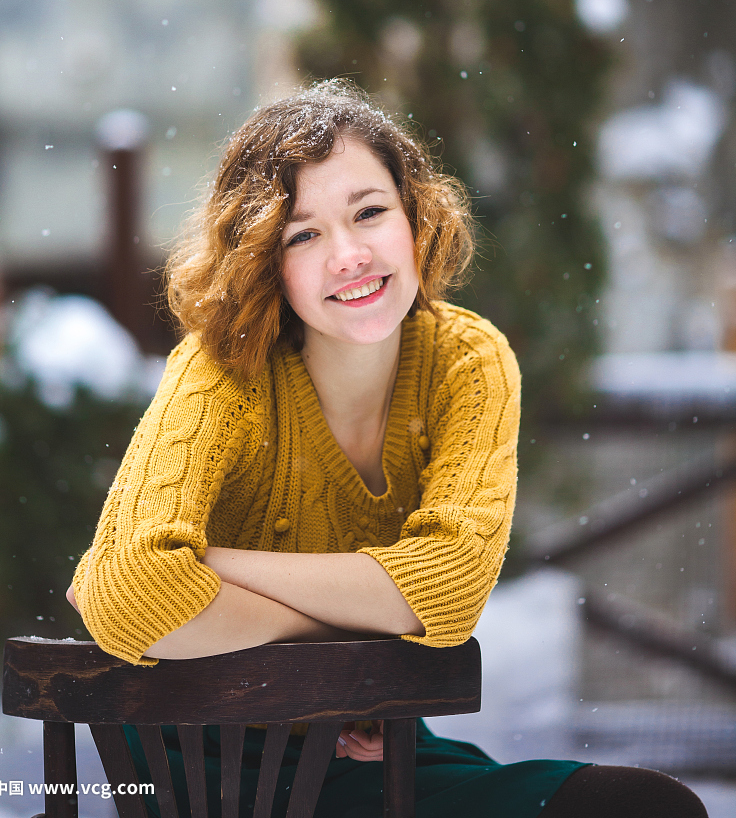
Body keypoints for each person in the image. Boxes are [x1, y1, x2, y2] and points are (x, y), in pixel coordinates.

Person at [67, 81, 706, 818]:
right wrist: (363, 629)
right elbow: (131, 599)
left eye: (370, 212)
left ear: (415, 217)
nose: (349, 254)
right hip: (209, 760)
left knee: (645, 809)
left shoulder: (468, 361)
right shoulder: (222, 370)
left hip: (369, 738)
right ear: (262, 262)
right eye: (302, 234)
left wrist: (219, 572)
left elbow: (455, 586)